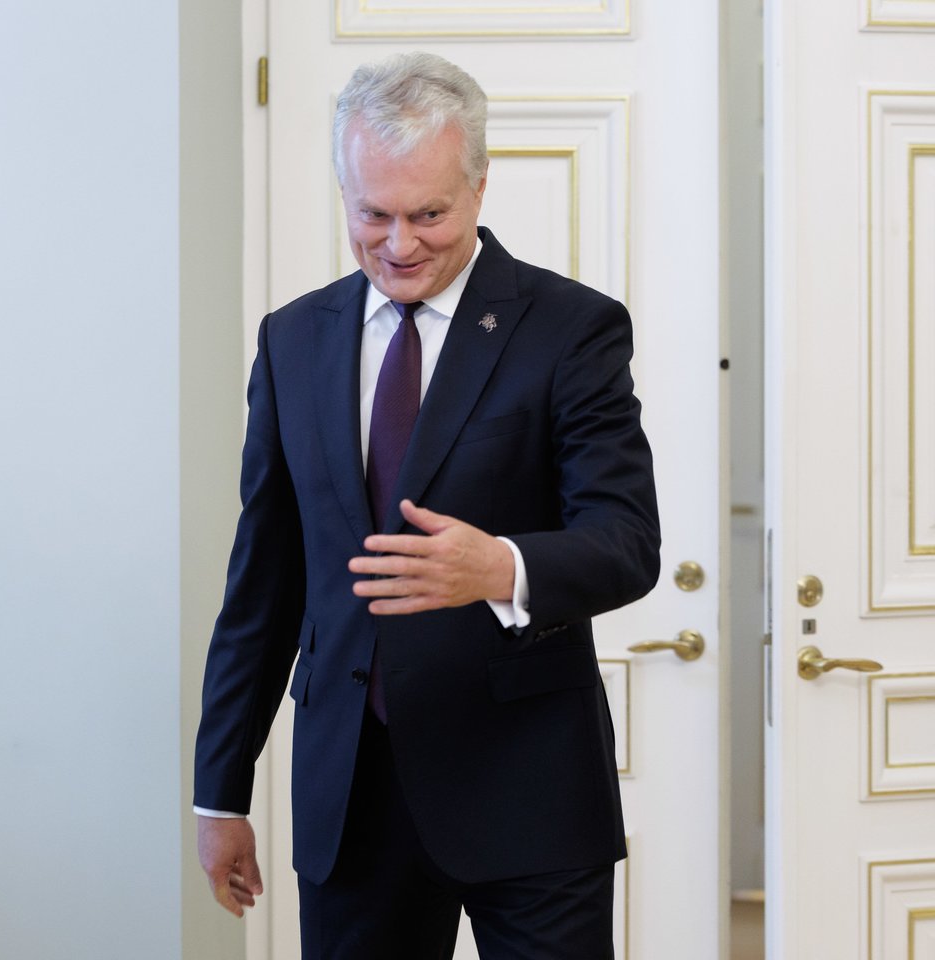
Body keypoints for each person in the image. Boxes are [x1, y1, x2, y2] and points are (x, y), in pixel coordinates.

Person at [193, 53, 659, 959]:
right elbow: (264, 585)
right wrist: (221, 794)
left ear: (479, 186)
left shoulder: (573, 329)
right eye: (373, 214)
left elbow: (627, 541)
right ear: (345, 193)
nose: (400, 244)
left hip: (528, 791)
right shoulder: (292, 340)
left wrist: (500, 567)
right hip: (351, 798)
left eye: (429, 215)